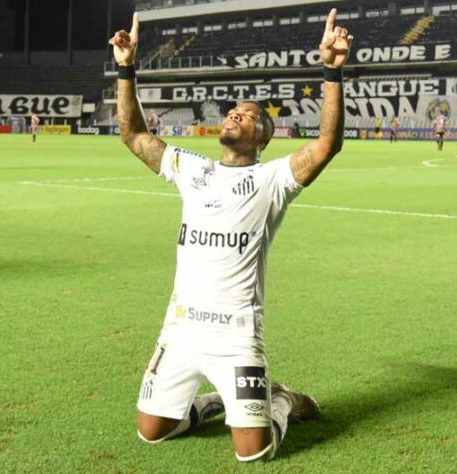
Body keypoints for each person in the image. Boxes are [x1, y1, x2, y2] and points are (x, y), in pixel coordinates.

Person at [110, 8, 352, 462]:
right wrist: (126, 67)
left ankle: (279, 399)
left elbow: (326, 145)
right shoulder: (191, 169)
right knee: (152, 431)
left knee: (253, 452)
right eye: (234, 111)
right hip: (182, 325)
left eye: (249, 115)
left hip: (236, 335)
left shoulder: (273, 180)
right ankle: (218, 402)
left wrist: (331, 72)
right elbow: (133, 134)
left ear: (264, 135)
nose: (236, 116)